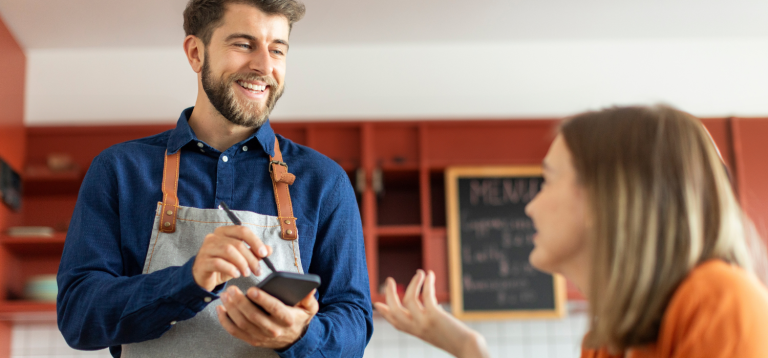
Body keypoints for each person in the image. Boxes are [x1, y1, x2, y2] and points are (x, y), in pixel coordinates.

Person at [56, 1, 373, 357]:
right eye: (243, 44)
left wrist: (300, 336)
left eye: (277, 49)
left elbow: (354, 322)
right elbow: (77, 316)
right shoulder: (119, 170)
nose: (264, 66)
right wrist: (185, 282)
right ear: (196, 53)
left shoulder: (324, 181)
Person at [374, 105, 768, 358]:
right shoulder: (603, 343)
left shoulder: (721, 302)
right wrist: (468, 347)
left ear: (605, 197)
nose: (531, 205)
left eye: (547, 180)